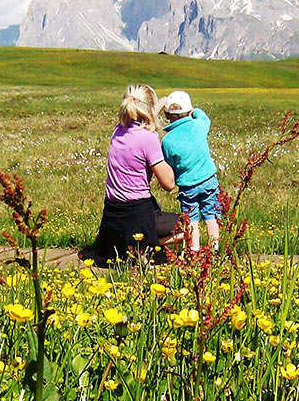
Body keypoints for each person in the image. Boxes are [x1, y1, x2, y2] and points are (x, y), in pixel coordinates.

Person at [87, 84, 181, 266]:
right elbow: (168, 184)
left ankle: (125, 248)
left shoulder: (118, 131)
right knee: (187, 225)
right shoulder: (148, 138)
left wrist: (158, 105)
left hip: (113, 217)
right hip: (138, 214)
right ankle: (148, 248)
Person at [160, 90, 221, 252]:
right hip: (209, 180)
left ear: (167, 115)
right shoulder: (199, 125)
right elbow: (204, 118)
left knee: (191, 219)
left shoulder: (168, 141)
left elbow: (169, 165)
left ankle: (194, 250)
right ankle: (214, 249)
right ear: (189, 111)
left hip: (187, 186)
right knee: (211, 214)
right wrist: (196, 111)